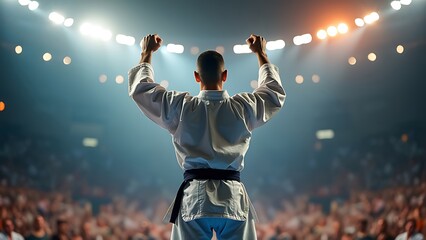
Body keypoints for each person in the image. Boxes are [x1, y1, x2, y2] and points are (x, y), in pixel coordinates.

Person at [128, 33, 285, 240]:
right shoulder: (242, 107)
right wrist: (261, 54)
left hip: (194, 196)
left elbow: (141, 90)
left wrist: (146, 53)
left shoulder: (182, 107)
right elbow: (273, 93)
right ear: (225, 75)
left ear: (196, 76)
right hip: (232, 197)